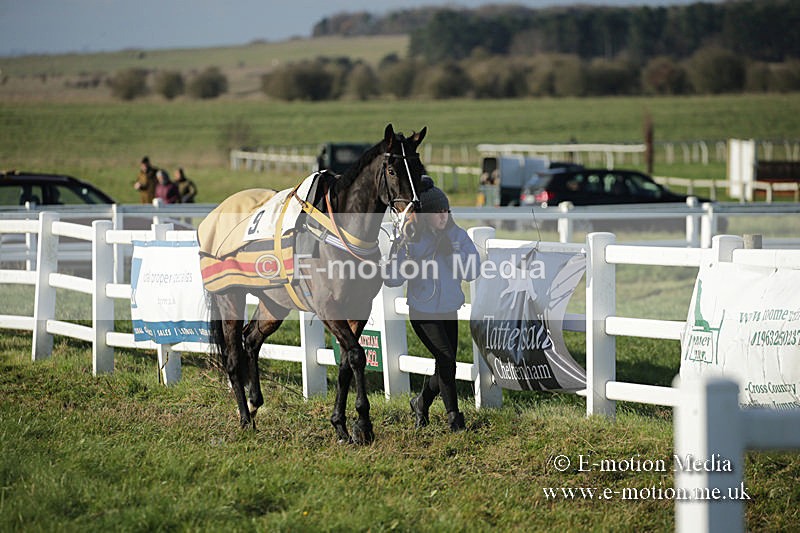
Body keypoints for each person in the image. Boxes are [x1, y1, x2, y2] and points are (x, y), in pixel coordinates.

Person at [385, 176, 480, 433]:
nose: (443, 216)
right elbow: (392, 279)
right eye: (437, 211)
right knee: (447, 360)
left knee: (445, 364)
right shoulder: (411, 239)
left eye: (446, 210)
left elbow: (473, 271)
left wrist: (453, 254)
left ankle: (421, 403)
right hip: (423, 312)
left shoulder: (458, 236)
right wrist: (402, 256)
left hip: (449, 310)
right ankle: (454, 419)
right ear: (424, 215)